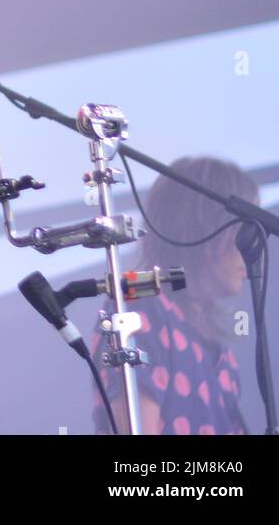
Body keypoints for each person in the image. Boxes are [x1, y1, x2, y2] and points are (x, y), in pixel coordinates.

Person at [91, 156, 257, 435]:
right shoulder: (138, 309)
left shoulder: (217, 348)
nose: (251, 251)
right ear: (207, 230)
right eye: (245, 235)